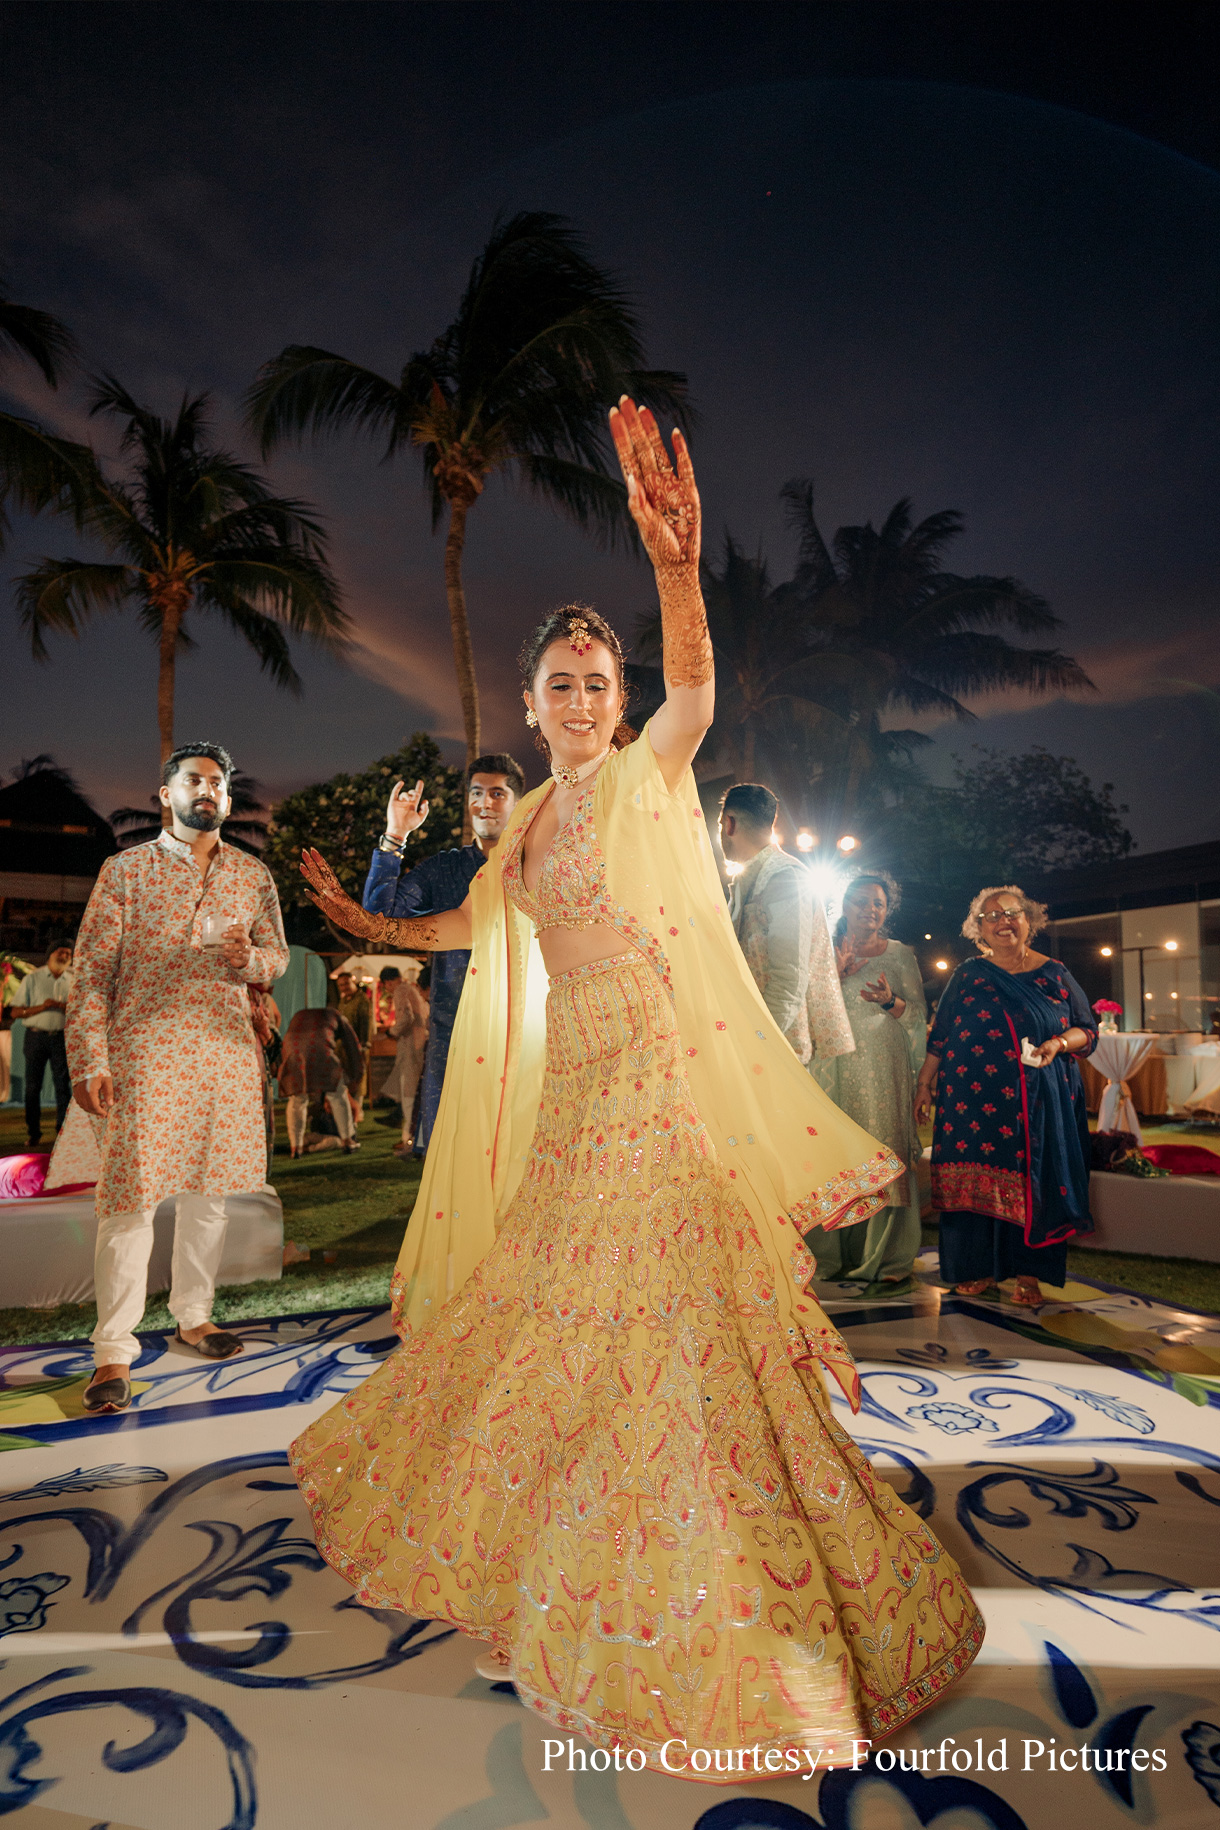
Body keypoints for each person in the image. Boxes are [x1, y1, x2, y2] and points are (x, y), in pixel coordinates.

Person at [288, 400, 982, 1773]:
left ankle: (713, 1612)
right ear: (534, 706)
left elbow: (702, 699)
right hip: (572, 1095)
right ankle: (542, 1589)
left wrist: (674, 569)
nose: (585, 698)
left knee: (663, 1338)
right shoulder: (534, 817)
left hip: (655, 1085)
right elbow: (472, 923)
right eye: (564, 683)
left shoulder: (643, 781)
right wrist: (366, 928)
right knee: (557, 1340)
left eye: (600, 679)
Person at [67, 742, 289, 1415]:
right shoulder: (126, 871)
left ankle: (195, 1316)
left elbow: (275, 957)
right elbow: (91, 973)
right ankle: (114, 1350)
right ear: (166, 794)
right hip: (144, 1057)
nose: (209, 790)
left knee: (209, 1199)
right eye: (194, 780)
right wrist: (91, 1060)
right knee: (130, 1207)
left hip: (223, 1057)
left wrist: (249, 957)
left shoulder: (252, 875)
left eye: (219, 783)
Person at [914, 885, 1096, 1306]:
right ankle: (974, 1268)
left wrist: (1057, 1045)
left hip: (1035, 1102)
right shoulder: (970, 973)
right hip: (969, 1100)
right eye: (991, 916)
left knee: (1035, 1182)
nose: (1003, 922)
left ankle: (1028, 1274)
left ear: (1029, 921)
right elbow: (941, 1034)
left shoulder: (1055, 973)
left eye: (1012, 913)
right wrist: (925, 1083)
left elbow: (1087, 1029)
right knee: (970, 1178)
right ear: (978, 928)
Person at [362, 754, 524, 1153]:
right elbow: (380, 917)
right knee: (450, 1158)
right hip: (453, 1037)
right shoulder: (445, 870)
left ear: (519, 803)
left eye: (497, 794)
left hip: (527, 1036)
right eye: (476, 793)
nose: (484, 803)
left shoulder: (537, 865)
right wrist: (394, 835)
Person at [807, 872, 927, 1298]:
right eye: (860, 902)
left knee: (885, 1150)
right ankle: (829, 1257)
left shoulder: (900, 954)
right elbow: (802, 1009)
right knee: (835, 1155)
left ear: (886, 910)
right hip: (832, 1069)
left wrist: (889, 1001)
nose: (869, 910)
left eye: (877, 903)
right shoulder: (823, 950)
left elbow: (915, 1017)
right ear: (844, 905)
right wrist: (833, 976)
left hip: (884, 1069)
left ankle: (888, 1259)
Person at [719, 783, 854, 1065]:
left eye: (721, 824)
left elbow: (789, 977)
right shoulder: (750, 878)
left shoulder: (785, 877)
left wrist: (754, 1041)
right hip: (747, 1038)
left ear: (729, 823)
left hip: (772, 1050)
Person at [12, 939, 75, 1147]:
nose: (65, 956)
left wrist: (62, 1006)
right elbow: (15, 1011)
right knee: (32, 1087)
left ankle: (62, 1132)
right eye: (61, 951)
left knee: (62, 1086)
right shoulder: (33, 978)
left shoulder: (74, 979)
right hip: (36, 1037)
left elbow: (81, 1010)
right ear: (50, 954)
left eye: (68, 953)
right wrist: (43, 1007)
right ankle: (34, 1133)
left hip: (61, 1037)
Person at [279, 1004, 364, 1156]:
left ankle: (295, 1147)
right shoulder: (338, 1017)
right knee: (338, 1094)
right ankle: (347, 1140)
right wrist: (356, 1075)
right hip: (321, 1053)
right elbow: (353, 1046)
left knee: (297, 1100)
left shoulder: (300, 1014)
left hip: (292, 1052)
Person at [377, 965, 430, 1157]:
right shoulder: (412, 989)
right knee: (411, 1093)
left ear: (388, 982)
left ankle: (409, 1138)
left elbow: (406, 1016)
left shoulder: (401, 991)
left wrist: (392, 1032)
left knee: (409, 1093)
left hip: (411, 1047)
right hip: (419, 1044)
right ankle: (409, 1136)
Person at [334, 969, 371, 1125]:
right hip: (344, 1047)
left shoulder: (362, 1000)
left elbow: (366, 1023)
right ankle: (349, 1110)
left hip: (358, 1046)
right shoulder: (343, 1001)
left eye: (346, 983)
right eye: (341, 985)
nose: (344, 987)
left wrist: (364, 1044)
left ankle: (358, 1111)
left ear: (353, 982)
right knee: (347, 1078)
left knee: (358, 1078)